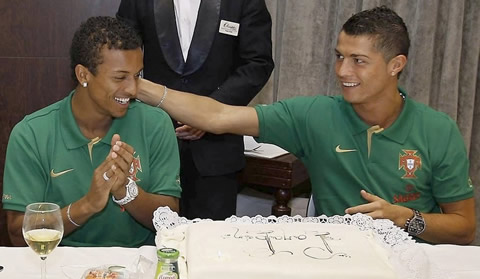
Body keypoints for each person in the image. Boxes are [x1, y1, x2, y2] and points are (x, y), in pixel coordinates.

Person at [135, 6, 476, 245]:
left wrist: (405, 218)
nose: (343, 71)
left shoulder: (437, 130)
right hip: (340, 262)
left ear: (395, 65)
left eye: (359, 61)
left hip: (416, 266)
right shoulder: (315, 115)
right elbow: (216, 116)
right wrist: (138, 85)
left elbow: (464, 229)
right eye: (339, 56)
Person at [2, 16, 181, 247]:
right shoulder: (31, 134)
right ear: (83, 75)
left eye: (137, 76)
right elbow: (18, 233)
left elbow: (170, 222)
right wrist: (87, 205)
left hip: (137, 266)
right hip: (59, 265)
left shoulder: (156, 124)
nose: (133, 89)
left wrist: (127, 191)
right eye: (120, 77)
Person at [116, 0, 274, 220]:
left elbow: (258, 63)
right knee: (152, 241)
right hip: (154, 142)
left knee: (211, 243)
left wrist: (208, 113)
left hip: (216, 151)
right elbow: (119, 52)